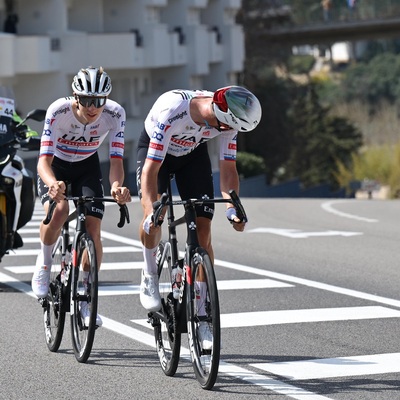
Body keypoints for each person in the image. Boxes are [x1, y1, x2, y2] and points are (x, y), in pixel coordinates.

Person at [136, 85, 262, 348]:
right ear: (217, 114)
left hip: (191, 156)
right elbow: (151, 170)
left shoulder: (230, 118)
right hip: (156, 155)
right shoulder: (173, 110)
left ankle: (203, 313)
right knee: (156, 218)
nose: (227, 132)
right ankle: (149, 273)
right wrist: (151, 210)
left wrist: (232, 208)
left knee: (203, 231)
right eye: (225, 128)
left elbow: (228, 169)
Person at [31, 66, 131, 327]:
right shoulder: (58, 111)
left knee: (93, 229)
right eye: (86, 100)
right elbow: (43, 161)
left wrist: (117, 185)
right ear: (75, 97)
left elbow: (116, 159)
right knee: (60, 211)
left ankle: (85, 297)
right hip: (57, 166)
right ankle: (43, 264)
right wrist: (52, 184)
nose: (92, 107)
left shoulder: (115, 114)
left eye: (99, 101)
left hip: (87, 166)